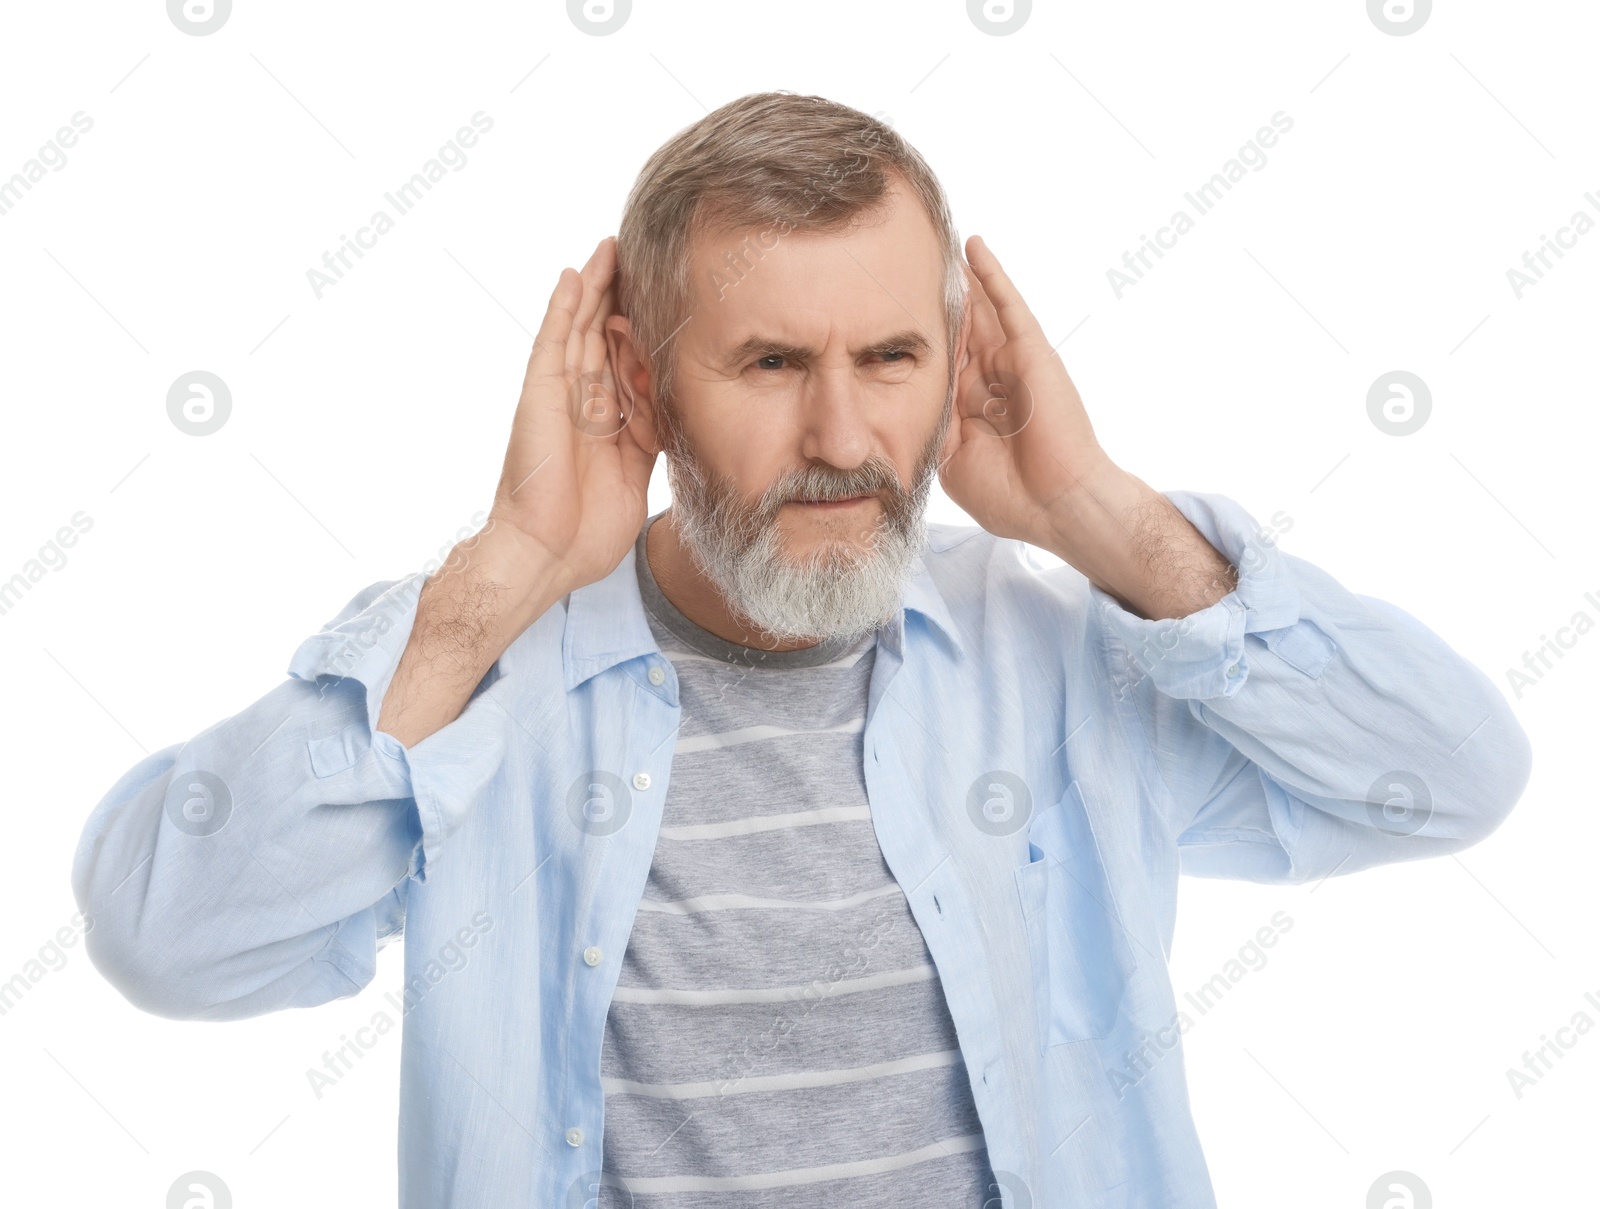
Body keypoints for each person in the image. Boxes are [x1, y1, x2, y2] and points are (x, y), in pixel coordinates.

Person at [72, 92, 1531, 1208]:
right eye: (772, 363)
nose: (843, 439)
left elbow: (1450, 774)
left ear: (956, 366)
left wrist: (1097, 510)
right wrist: (500, 571)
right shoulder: (482, 682)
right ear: (641, 378)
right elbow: (164, 934)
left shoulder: (1068, 660)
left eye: (890, 359)